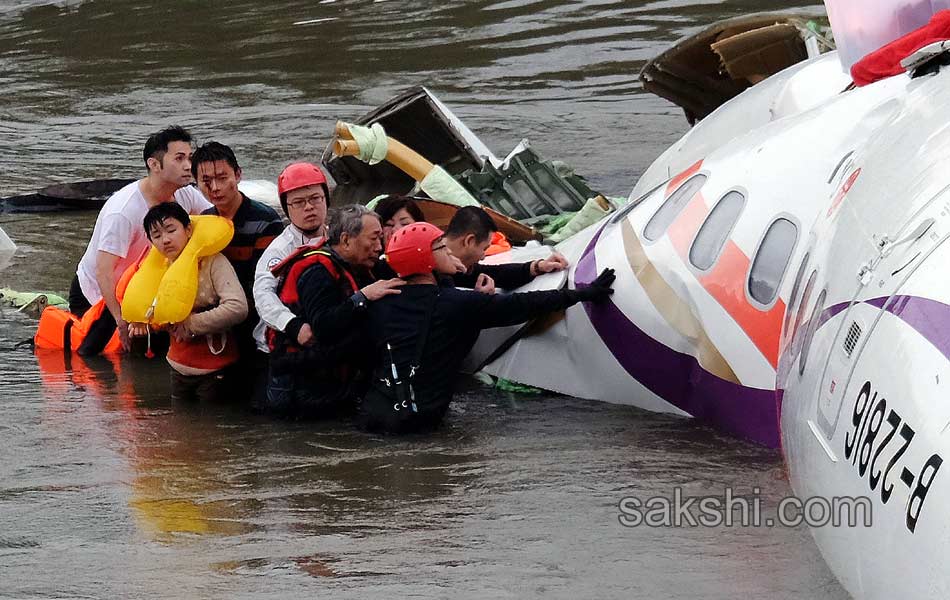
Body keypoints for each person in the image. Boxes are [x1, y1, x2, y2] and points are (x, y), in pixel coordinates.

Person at [360, 222, 615, 433]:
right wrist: (583, 294)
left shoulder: (381, 298)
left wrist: (533, 268)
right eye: (441, 248)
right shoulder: (457, 303)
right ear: (425, 260)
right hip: (417, 423)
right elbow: (524, 304)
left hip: (373, 415)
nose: (450, 252)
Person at [70, 125, 212, 356]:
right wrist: (120, 321)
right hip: (100, 295)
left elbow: (215, 220)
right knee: (111, 356)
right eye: (179, 158)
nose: (189, 166)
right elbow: (103, 271)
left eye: (190, 158)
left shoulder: (185, 193)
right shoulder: (124, 211)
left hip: (147, 285)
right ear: (154, 165)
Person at [264, 204, 403, 418]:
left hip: (329, 378)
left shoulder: (359, 265)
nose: (379, 247)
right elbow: (323, 327)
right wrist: (363, 297)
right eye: (374, 238)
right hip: (299, 386)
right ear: (346, 240)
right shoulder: (317, 272)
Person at [129, 203, 247, 402]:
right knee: (180, 426)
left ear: (188, 230)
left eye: (171, 230)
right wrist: (143, 324)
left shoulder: (214, 262)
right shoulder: (158, 268)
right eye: (156, 236)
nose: (165, 240)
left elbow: (238, 307)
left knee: (209, 426)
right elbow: (156, 310)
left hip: (215, 368)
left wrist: (191, 324)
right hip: (177, 366)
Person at [193, 142, 283, 401]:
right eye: (206, 180)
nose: (215, 188)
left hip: (255, 323)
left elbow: (269, 282)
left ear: (238, 175)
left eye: (222, 178)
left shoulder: (265, 221)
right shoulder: (202, 223)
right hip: (216, 323)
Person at [252, 162, 330, 356]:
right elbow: (262, 293)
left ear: (326, 199)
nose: (309, 207)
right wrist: (292, 325)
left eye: (315, 198)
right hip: (283, 344)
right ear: (287, 208)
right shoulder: (278, 250)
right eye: (299, 202)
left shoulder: (339, 237)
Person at [444, 206, 569, 293]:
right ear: (469, 241)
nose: (483, 257)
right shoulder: (429, 278)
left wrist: (538, 266)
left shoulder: (453, 266)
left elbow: (496, 274)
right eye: (484, 249)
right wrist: (479, 303)